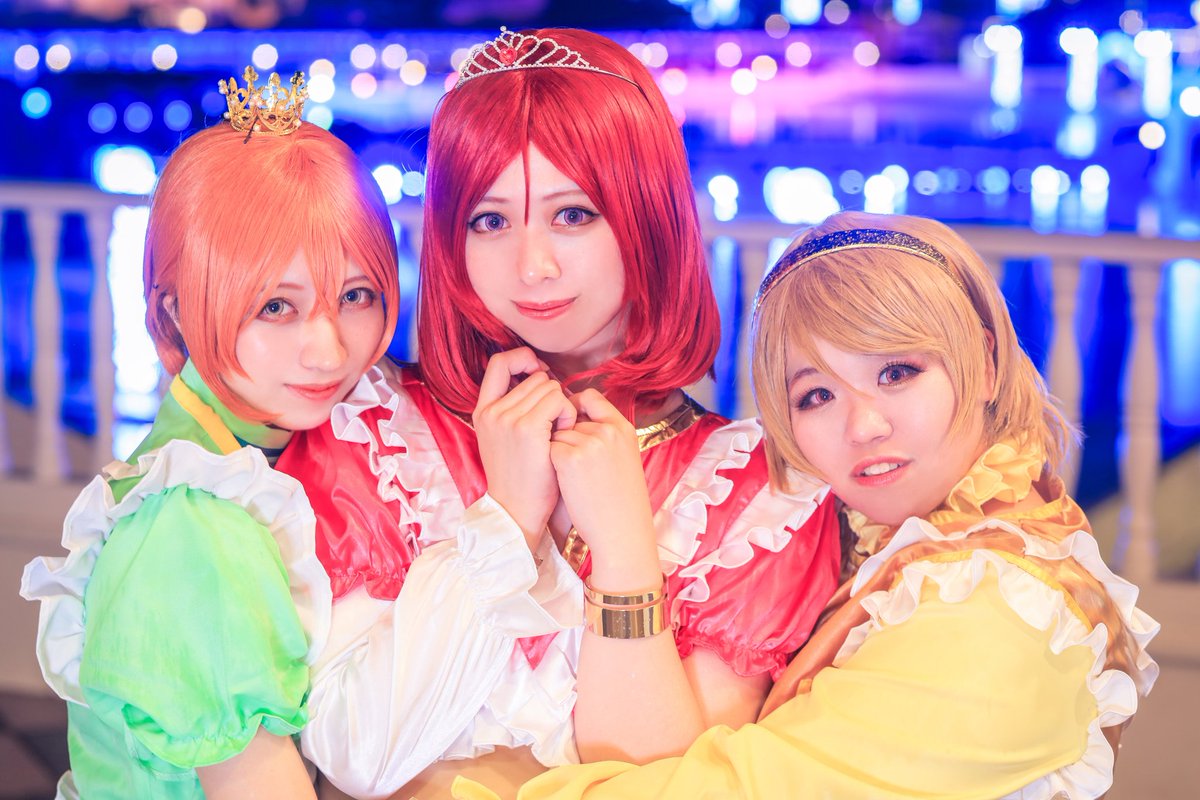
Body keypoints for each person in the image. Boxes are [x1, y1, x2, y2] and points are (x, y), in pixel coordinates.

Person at [276, 27, 841, 799]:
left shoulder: (756, 498)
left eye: (572, 215)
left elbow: (664, 786)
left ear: (647, 217)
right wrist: (506, 519)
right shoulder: (379, 436)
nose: (531, 266)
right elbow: (359, 759)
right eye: (489, 220)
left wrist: (625, 546)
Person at [458, 211, 1160, 800]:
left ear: (983, 364)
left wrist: (621, 542)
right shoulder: (924, 550)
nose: (864, 425)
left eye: (897, 371)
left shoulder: (1001, 613)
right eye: (816, 395)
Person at [20, 67, 400, 799]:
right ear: (174, 311)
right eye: (276, 307)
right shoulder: (193, 527)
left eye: (356, 295)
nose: (329, 352)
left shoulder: (256, 454)